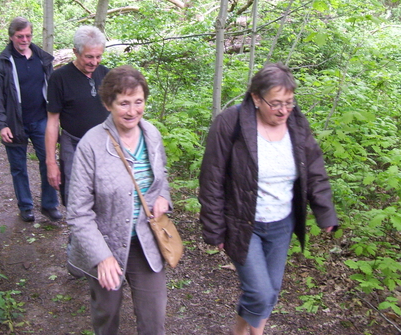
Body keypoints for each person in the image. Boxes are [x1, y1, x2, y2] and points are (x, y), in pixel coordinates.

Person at [198, 62, 339, 335]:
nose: (283, 110)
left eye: (289, 102)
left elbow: (314, 170)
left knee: (269, 292)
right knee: (260, 293)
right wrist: (214, 229)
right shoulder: (231, 122)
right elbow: (211, 179)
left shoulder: (296, 124)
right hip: (242, 223)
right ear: (255, 98)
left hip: (281, 224)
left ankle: (239, 331)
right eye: (275, 103)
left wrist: (325, 213)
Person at [67, 65, 171, 335]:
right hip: (107, 242)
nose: (132, 111)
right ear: (107, 103)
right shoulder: (91, 145)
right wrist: (101, 257)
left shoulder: (152, 135)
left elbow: (162, 177)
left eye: (138, 102)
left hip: (146, 242)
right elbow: (78, 212)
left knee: (154, 319)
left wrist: (162, 197)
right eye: (124, 103)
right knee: (107, 316)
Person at [0, 17, 61, 222]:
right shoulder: (2, 62)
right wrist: (1, 125)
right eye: (20, 36)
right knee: (18, 166)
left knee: (48, 161)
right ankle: (26, 206)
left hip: (41, 121)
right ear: (11, 36)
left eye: (28, 35)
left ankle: (49, 204)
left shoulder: (42, 58)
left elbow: (53, 90)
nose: (24, 39)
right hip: (14, 123)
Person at [45, 25, 110, 206]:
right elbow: (52, 122)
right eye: (89, 56)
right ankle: (77, 234)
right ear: (75, 52)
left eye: (98, 56)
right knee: (76, 199)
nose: (94, 62)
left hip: (104, 146)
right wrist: (51, 163)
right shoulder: (60, 78)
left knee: (104, 197)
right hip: (73, 145)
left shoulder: (106, 74)